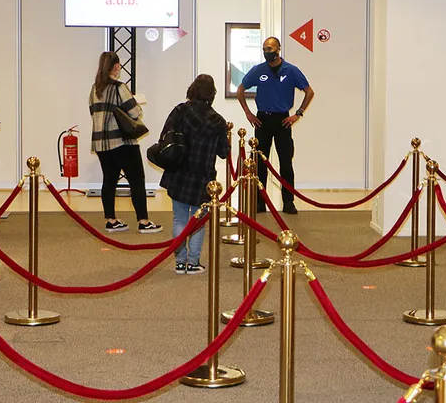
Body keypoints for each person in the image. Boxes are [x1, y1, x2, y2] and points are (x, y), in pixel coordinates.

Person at [159, 74, 229, 275]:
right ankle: (193, 262)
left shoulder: (180, 111)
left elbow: (164, 137)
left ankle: (180, 262)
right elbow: (223, 152)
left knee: (179, 219)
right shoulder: (218, 121)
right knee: (198, 222)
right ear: (212, 94)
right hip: (203, 176)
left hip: (179, 173)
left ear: (192, 89)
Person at [237, 37, 314, 214]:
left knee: (285, 162)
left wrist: (298, 114)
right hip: (262, 120)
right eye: (264, 49)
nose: (267, 52)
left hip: (283, 121)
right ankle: (260, 202)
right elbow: (240, 90)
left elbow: (309, 92)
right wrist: (248, 113)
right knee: (260, 163)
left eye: (270, 49)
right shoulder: (258, 70)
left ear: (278, 49)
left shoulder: (291, 70)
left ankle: (288, 202)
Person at [89, 51, 162, 234]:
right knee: (136, 180)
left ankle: (111, 220)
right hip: (122, 142)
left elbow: (93, 112)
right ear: (115, 66)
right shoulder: (119, 87)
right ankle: (144, 221)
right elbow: (136, 113)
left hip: (100, 143)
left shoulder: (95, 89)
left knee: (109, 180)